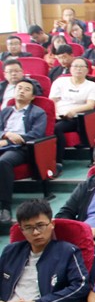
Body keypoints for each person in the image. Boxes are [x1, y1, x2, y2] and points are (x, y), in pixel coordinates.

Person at [0, 81, 47, 223]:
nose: (21, 91)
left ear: (32, 96)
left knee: (3, 162)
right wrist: (6, 135)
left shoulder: (38, 112)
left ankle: (4, 207)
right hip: (3, 143)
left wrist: (9, 141)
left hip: (22, 148)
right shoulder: (6, 111)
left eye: (26, 89)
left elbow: (36, 134)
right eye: (19, 88)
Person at [50, 58, 95, 165]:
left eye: (81, 66)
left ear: (87, 70)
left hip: (77, 118)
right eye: (75, 66)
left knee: (57, 128)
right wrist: (55, 113)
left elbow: (90, 105)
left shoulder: (91, 85)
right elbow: (52, 101)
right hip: (57, 115)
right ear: (70, 69)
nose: (78, 69)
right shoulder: (60, 81)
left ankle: (58, 161)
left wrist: (73, 111)